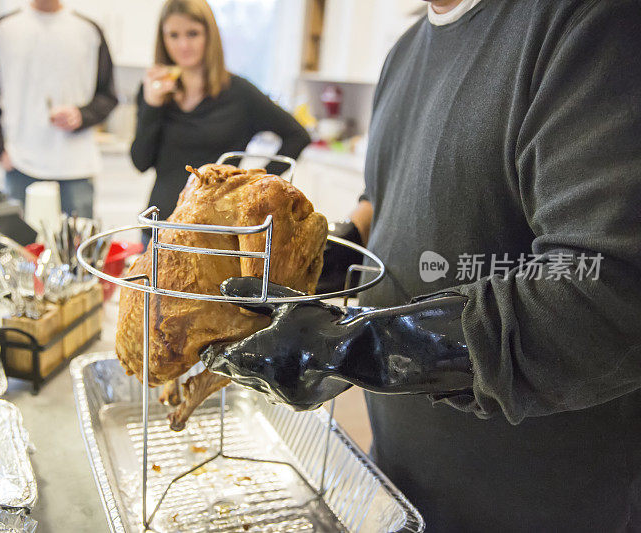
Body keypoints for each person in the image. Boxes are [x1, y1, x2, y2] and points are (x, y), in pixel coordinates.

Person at [201, 0, 641, 531]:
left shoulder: (590, 23)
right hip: (399, 474)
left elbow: (610, 288)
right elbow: (381, 198)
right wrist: (330, 257)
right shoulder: (404, 52)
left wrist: (362, 348)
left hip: (535, 500)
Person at [130, 0, 311, 243]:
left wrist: (250, 187)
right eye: (173, 35)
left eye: (192, 34)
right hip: (157, 227)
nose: (183, 44)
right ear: (162, 39)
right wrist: (152, 105)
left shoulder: (240, 93)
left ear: (209, 36)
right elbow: (140, 162)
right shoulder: (153, 91)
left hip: (216, 235)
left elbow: (297, 135)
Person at [0, 0, 117, 218]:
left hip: (77, 168)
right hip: (20, 165)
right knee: (22, 249)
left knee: (77, 249)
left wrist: (81, 115)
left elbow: (108, 96)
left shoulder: (89, 30)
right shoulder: (2, 29)